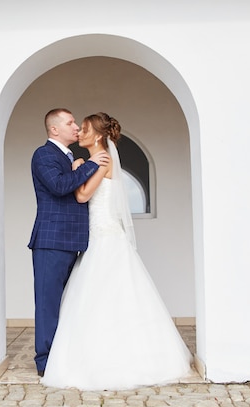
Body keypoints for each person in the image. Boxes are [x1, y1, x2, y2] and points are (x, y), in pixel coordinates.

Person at [41, 112, 193, 390]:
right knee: (97, 295)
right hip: (97, 234)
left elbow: (82, 195)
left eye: (84, 128)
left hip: (106, 236)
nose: (80, 132)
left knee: (108, 293)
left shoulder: (103, 161)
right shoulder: (93, 161)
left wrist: (79, 168)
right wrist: (80, 165)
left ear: (98, 136)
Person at [28, 108, 110, 377]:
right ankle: (46, 363)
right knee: (48, 303)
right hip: (51, 241)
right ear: (54, 130)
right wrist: (91, 164)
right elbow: (60, 186)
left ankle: (64, 355)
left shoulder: (71, 157)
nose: (76, 127)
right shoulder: (43, 155)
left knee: (68, 303)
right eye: (70, 122)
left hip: (72, 241)